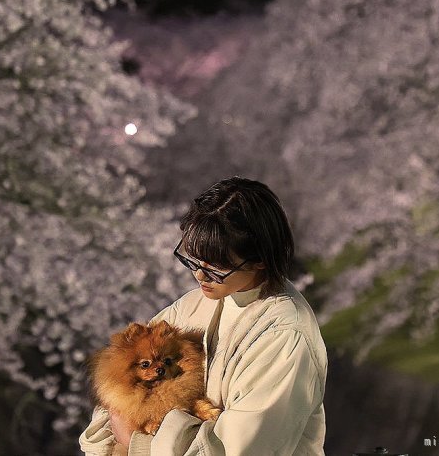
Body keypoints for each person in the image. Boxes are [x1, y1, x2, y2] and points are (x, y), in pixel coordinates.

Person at [79, 176, 328, 455]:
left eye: (216, 265)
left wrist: (138, 443)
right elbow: (114, 390)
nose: (199, 275)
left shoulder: (284, 335)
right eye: (194, 259)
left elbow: (241, 448)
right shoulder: (195, 305)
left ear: (260, 260)